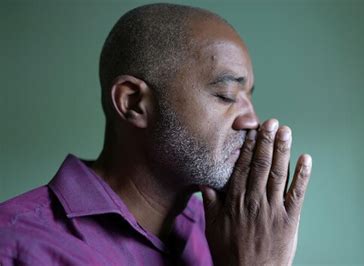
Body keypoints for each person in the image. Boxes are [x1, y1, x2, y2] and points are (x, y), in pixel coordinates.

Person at [0, 3, 312, 265]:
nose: (252, 121)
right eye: (227, 95)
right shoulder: (19, 244)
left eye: (249, 96)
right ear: (133, 102)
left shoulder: (230, 231)